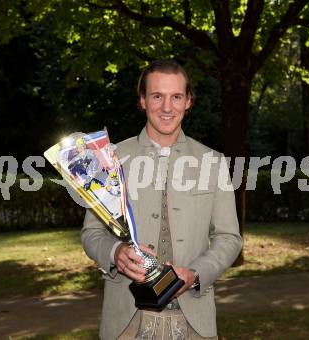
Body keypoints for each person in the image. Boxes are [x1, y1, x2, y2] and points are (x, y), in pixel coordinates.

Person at [81, 59, 243, 339]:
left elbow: (230, 238)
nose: (167, 108)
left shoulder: (212, 162)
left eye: (176, 97)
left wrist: (195, 274)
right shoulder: (111, 160)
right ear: (143, 101)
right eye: (157, 96)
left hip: (195, 322)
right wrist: (115, 253)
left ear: (188, 101)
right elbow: (91, 234)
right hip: (126, 322)